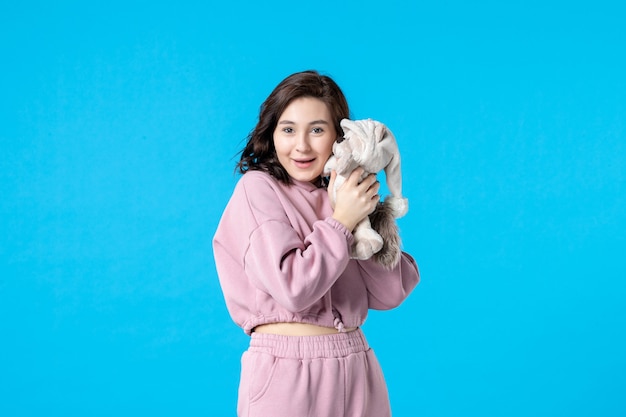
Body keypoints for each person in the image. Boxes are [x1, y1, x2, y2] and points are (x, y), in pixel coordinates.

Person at [212, 70, 420, 417]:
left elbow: (390, 294)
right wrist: (341, 223)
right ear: (272, 132)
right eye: (289, 129)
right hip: (288, 370)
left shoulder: (342, 195)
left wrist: (365, 216)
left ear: (340, 136)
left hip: (357, 365)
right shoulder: (258, 190)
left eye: (318, 130)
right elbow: (293, 287)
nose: (302, 146)